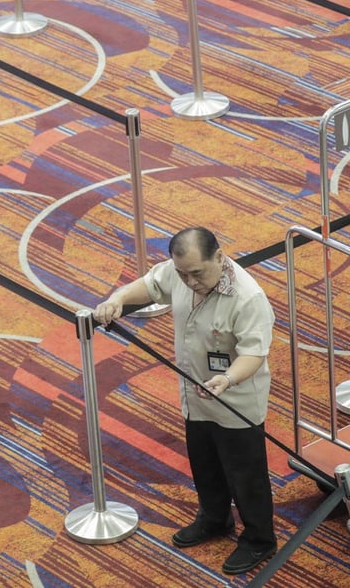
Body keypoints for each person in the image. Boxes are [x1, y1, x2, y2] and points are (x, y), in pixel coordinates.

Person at [93, 226, 277, 575]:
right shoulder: (179, 272)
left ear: (219, 257)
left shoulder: (248, 298)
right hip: (196, 394)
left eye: (197, 273)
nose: (189, 282)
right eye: (183, 274)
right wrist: (117, 298)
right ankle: (214, 519)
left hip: (235, 398)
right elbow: (149, 285)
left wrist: (226, 379)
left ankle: (259, 539)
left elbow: (254, 354)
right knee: (204, 463)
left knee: (245, 474)